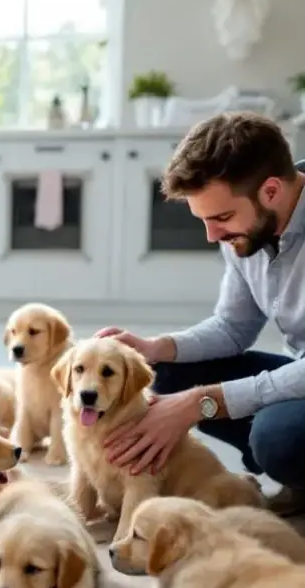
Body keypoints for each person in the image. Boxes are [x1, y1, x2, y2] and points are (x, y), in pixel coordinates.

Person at [97, 112, 305, 517]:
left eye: (222, 218)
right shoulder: (250, 230)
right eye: (204, 220)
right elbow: (232, 328)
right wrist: (155, 347)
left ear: (271, 191)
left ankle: (294, 467)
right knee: (165, 371)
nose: (213, 237)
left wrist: (204, 402)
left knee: (278, 439)